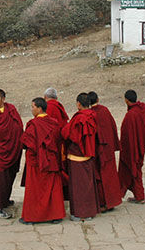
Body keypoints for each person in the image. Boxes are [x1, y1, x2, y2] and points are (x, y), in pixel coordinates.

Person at [20, 97, 65, 225]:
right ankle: (55, 215)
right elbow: (58, 141)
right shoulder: (54, 123)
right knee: (52, 188)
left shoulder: (33, 124)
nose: (31, 109)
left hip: (36, 162)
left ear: (39, 109)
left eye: (33, 107)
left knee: (35, 189)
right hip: (51, 160)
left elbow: (26, 142)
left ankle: (33, 216)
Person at [61, 92, 99, 221]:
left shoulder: (79, 118)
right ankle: (89, 212)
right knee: (87, 185)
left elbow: (68, 134)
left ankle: (79, 213)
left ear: (78, 104)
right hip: (88, 156)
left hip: (76, 157)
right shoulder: (93, 115)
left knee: (77, 187)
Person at [0, 89, 23, 219]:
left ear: (3, 99)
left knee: (9, 175)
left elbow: (18, 126)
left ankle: (5, 199)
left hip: (12, 148)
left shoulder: (11, 109)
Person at [88, 91, 122, 212]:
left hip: (98, 151)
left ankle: (103, 203)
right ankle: (112, 202)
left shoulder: (90, 114)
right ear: (98, 99)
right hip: (108, 149)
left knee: (100, 177)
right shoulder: (105, 110)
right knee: (110, 175)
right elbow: (112, 127)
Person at [119, 89, 145, 204]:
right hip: (140, 146)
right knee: (136, 170)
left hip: (132, 149)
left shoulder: (131, 116)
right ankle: (138, 195)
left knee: (132, 170)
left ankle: (139, 196)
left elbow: (128, 136)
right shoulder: (142, 109)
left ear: (127, 100)